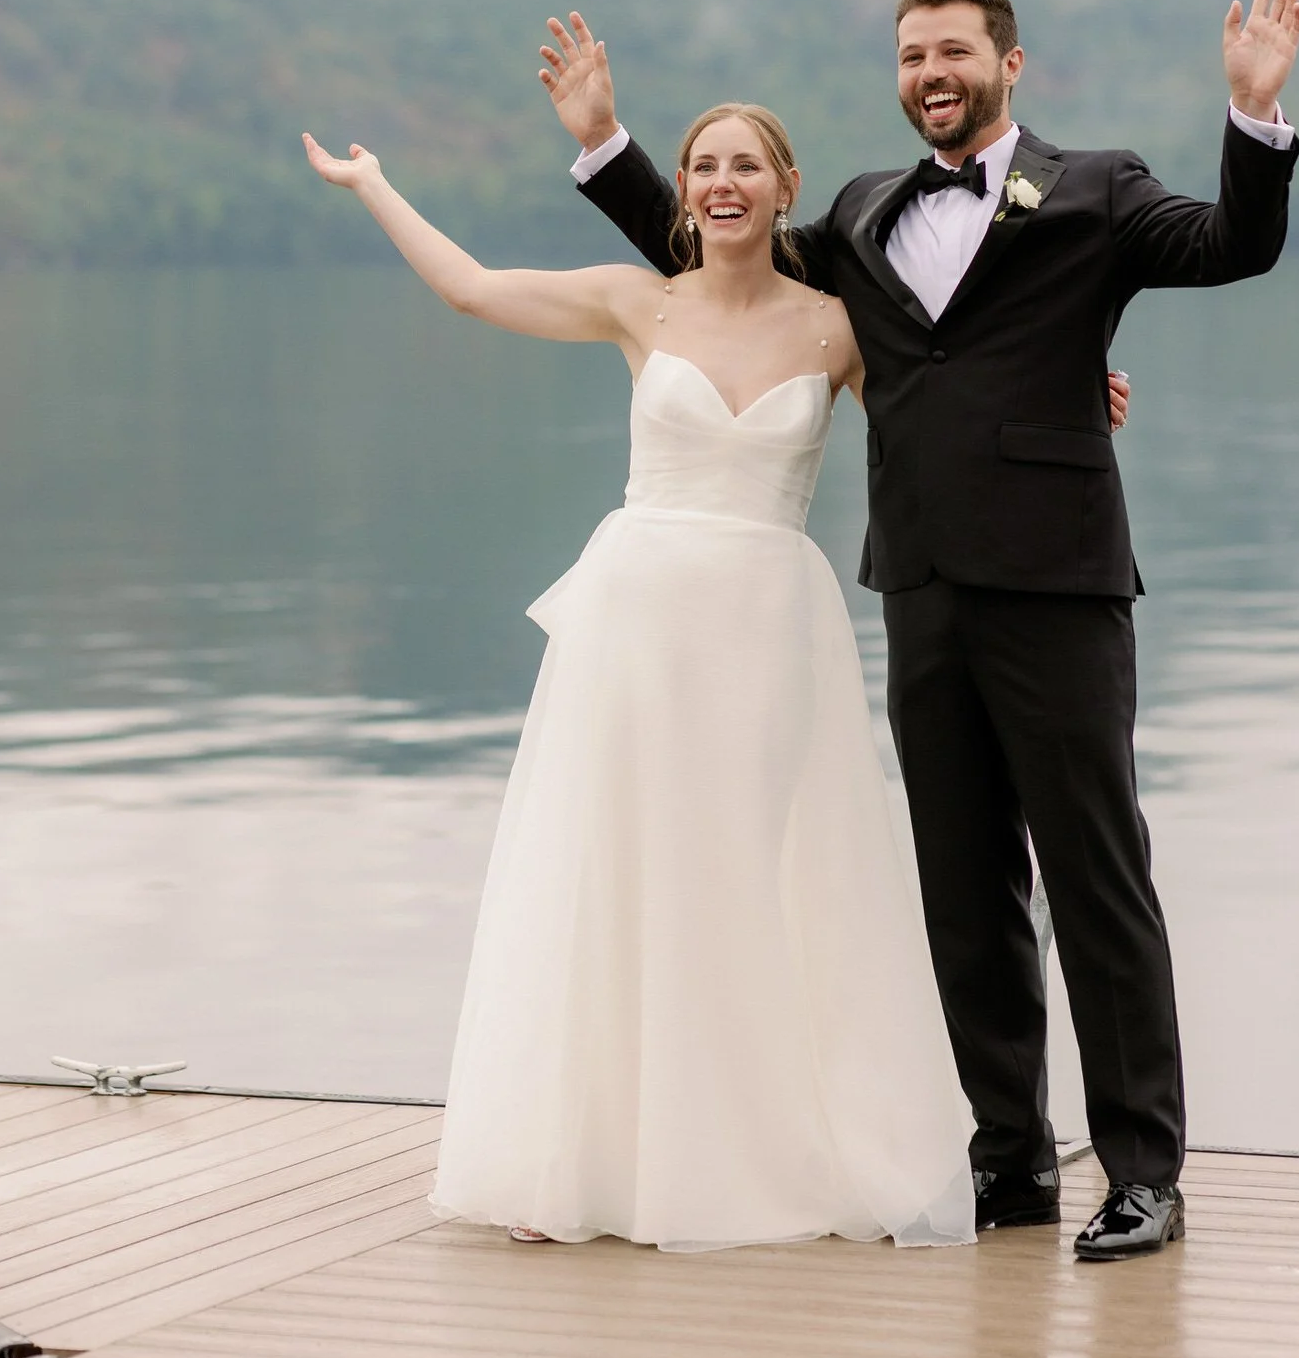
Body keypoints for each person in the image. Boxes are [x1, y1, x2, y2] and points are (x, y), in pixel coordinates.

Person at [541, 0, 1299, 1261]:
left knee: (1095, 879)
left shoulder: (1096, 191)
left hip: (1059, 590)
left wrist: (1251, 121)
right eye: (908, 57)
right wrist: (607, 146)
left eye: (950, 52)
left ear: (1011, 65)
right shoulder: (854, 211)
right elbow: (721, 265)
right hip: (922, 593)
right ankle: (1007, 1161)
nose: (928, 74)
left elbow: (1232, 247)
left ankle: (1141, 1173)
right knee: (963, 891)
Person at [306, 103, 998, 1250]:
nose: (723, 183)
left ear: (785, 187)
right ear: (680, 190)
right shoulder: (638, 301)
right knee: (616, 863)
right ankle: (588, 1158)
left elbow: (945, 421)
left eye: (745, 167)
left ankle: (748, 1148)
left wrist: (1082, 402)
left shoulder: (838, 327)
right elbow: (471, 288)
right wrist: (373, 184)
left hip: (770, 628)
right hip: (636, 623)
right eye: (703, 167)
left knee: (753, 875)